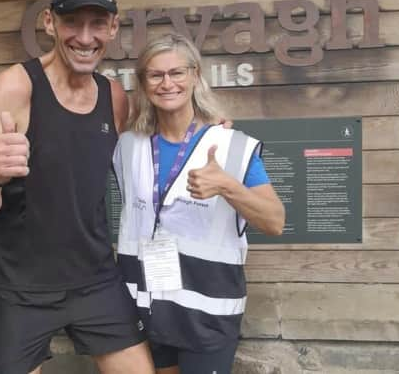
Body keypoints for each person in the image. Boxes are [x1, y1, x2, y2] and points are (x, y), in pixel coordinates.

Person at [0, 0, 154, 374]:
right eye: (72, 22)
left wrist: (209, 130)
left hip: (96, 277)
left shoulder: (114, 97)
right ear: (49, 22)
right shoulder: (17, 86)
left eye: (97, 23)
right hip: (23, 286)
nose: (85, 38)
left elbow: (159, 137)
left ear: (113, 28)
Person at [113, 33, 285, 374]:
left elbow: (275, 221)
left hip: (206, 310)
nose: (167, 83)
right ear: (144, 83)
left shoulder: (231, 146)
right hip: (146, 300)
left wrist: (228, 187)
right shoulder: (127, 144)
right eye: (156, 74)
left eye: (177, 72)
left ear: (195, 75)